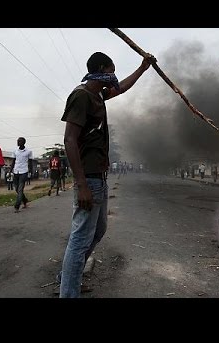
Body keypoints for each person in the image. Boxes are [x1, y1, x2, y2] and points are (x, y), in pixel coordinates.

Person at [58, 51, 154, 298]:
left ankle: (68, 277)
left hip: (98, 177)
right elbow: (69, 140)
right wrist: (81, 186)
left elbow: (121, 88)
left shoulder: (98, 94)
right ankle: (68, 291)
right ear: (101, 69)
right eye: (111, 70)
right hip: (88, 178)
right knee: (80, 239)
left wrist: (143, 68)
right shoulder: (81, 96)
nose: (114, 75)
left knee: (97, 232)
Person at [10, 137, 33, 213]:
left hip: (24, 171)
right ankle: (25, 201)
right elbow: (13, 161)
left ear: (23, 142)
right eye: (17, 141)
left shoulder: (28, 151)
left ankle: (17, 206)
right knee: (16, 189)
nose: (18, 142)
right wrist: (10, 171)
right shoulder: (15, 151)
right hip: (16, 171)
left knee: (20, 189)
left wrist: (30, 171)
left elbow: (30, 162)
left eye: (19, 141)